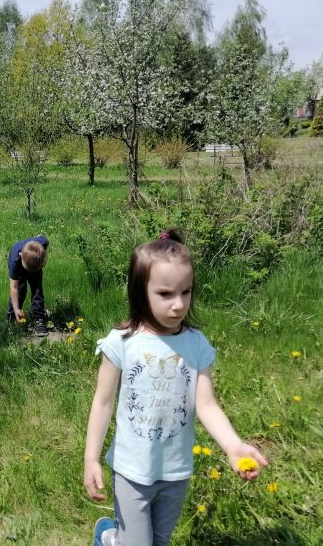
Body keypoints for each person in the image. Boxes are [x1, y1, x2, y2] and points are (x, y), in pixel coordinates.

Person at [84, 230, 268, 546]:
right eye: (166, 294)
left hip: (175, 470)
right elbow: (102, 402)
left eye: (186, 292)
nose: (178, 304)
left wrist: (234, 446)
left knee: (160, 540)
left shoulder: (196, 345)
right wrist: (91, 458)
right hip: (132, 469)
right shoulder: (123, 343)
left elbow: (207, 404)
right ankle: (112, 538)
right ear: (141, 293)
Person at [7, 234, 49, 337]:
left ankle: (38, 319)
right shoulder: (15, 262)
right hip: (20, 267)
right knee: (20, 291)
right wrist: (16, 308)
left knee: (37, 290)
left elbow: (43, 237)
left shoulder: (42, 243)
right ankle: (12, 316)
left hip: (35, 263)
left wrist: (39, 236)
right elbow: (14, 288)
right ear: (21, 255)